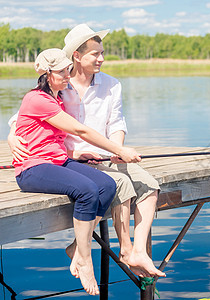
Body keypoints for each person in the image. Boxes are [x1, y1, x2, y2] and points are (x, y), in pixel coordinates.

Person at [8, 24, 166, 279]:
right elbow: (23, 117)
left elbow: (116, 122)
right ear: (77, 56)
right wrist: (11, 137)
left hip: (107, 153)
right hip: (72, 159)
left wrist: (118, 149)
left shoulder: (111, 85)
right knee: (119, 184)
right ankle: (119, 249)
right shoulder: (59, 86)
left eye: (102, 52)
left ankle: (137, 250)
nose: (102, 58)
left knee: (148, 184)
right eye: (95, 53)